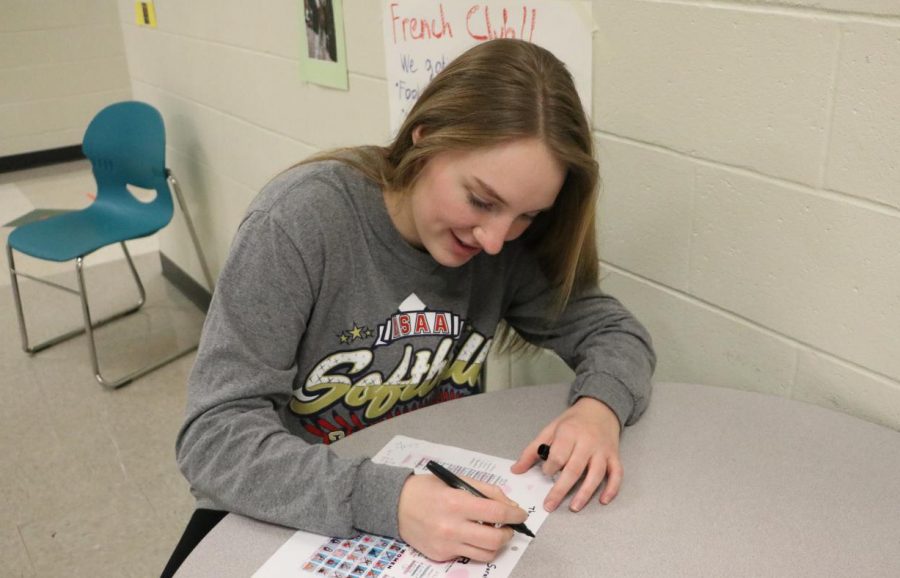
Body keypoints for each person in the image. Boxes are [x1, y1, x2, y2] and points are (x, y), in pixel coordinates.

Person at [161, 38, 655, 577]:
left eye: (526, 216)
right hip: (288, 512)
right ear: (424, 139)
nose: (494, 240)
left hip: (421, 509)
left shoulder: (504, 247)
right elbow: (213, 441)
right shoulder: (300, 225)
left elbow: (614, 332)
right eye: (480, 200)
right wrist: (389, 502)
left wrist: (599, 409)